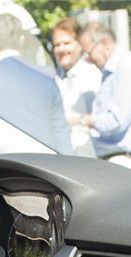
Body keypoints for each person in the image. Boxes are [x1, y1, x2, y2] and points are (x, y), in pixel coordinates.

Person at [0, 14, 73, 154]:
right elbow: (63, 143)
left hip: (2, 172)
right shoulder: (46, 81)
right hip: (46, 170)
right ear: (22, 40)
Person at [76, 22, 131, 171]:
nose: (88, 60)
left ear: (105, 43)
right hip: (117, 161)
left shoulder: (128, 68)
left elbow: (116, 121)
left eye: (89, 54)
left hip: (125, 162)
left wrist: (85, 120)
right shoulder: (114, 71)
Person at [50, 18, 101, 156]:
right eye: (57, 44)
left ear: (79, 44)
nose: (61, 49)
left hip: (88, 154)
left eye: (67, 43)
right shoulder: (54, 78)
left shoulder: (92, 75)